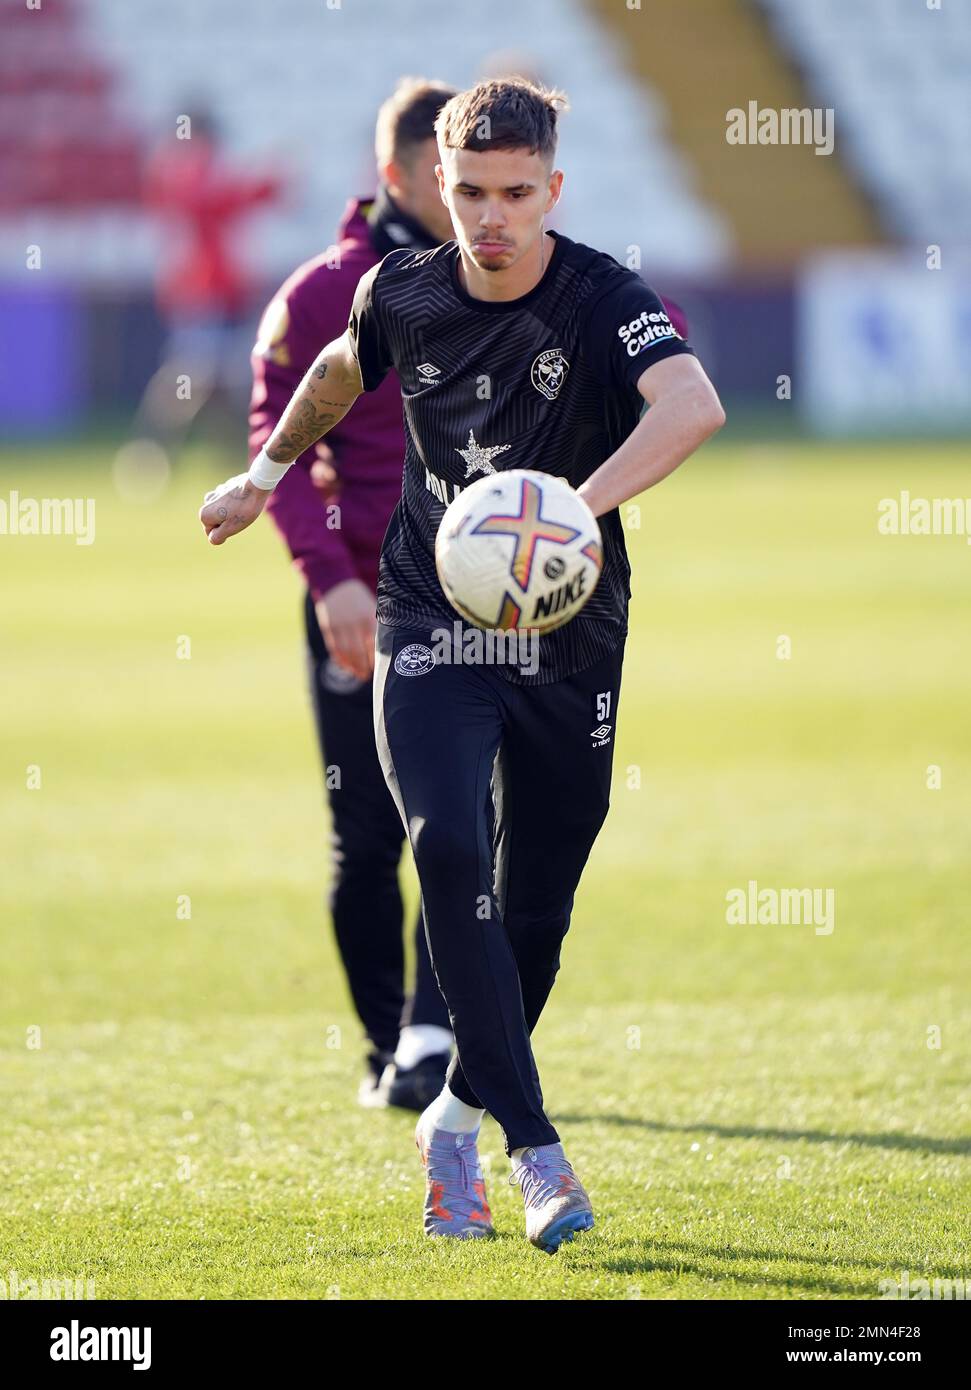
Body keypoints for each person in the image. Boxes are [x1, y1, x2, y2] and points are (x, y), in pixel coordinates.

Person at [199, 78, 724, 1253]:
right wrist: (266, 475)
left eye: (516, 194)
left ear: (553, 189)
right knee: (440, 842)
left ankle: (454, 1117)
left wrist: (563, 515)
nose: (492, 217)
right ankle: (534, 1153)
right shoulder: (405, 289)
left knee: (535, 898)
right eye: (471, 192)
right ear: (439, 184)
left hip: (569, 632)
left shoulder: (601, 296)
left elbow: (691, 406)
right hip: (430, 612)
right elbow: (339, 367)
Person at [248, 78, 458, 1111]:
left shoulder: (510, 277)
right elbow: (271, 445)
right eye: (441, 176)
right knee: (368, 834)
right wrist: (329, 580)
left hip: (473, 605)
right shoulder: (325, 291)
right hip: (359, 603)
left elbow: (643, 319)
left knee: (460, 829)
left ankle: (432, 1034)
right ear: (395, 176)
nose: (464, 199)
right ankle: (391, 1046)